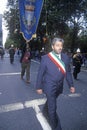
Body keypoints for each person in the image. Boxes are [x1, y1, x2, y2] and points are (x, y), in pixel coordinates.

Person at [36, 37, 75, 130]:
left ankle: (45, 111)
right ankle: (57, 127)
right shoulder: (46, 58)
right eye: (57, 45)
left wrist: (71, 85)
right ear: (53, 46)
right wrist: (38, 87)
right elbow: (40, 74)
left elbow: (68, 72)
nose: (60, 47)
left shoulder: (66, 58)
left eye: (61, 45)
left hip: (59, 87)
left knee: (50, 103)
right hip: (49, 86)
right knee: (53, 110)